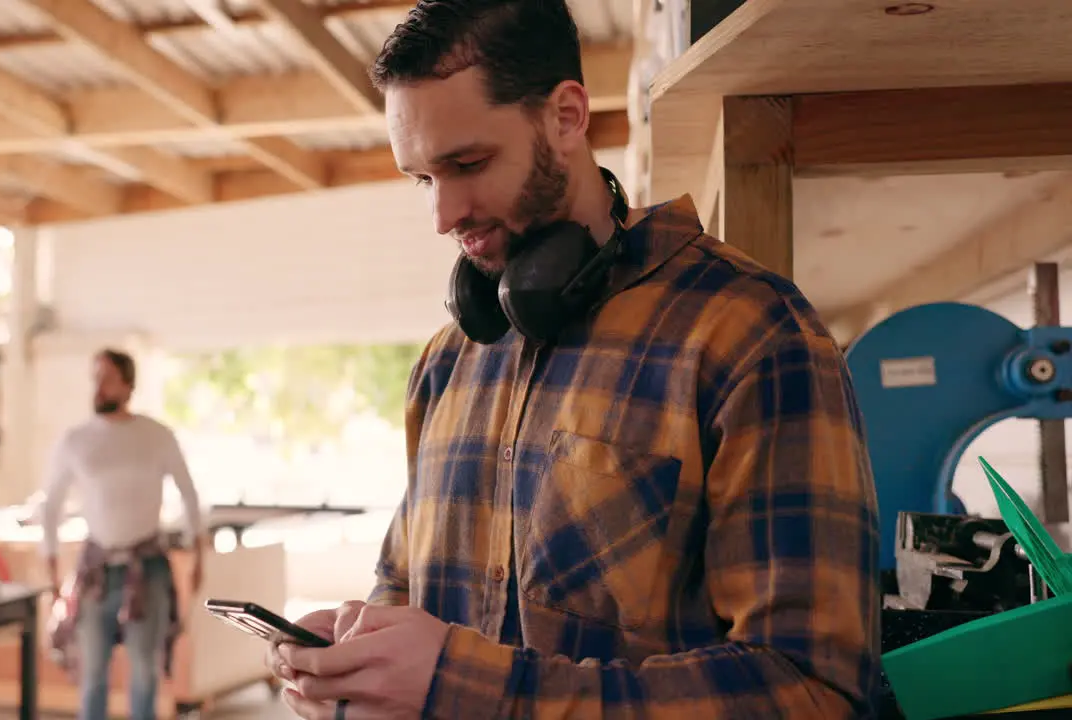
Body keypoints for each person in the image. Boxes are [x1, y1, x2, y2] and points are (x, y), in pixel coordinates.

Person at [267, 0, 882, 718]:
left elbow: (812, 690)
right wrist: (355, 657)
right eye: (424, 179)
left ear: (565, 116)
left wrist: (468, 689)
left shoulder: (751, 335)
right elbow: (400, 588)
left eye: (467, 164)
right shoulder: (444, 364)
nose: (443, 215)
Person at [40, 348, 207, 720]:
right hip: (98, 571)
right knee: (93, 673)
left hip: (147, 568)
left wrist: (199, 555)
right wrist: (50, 566)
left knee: (145, 671)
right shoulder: (76, 440)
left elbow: (189, 493)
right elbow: (49, 505)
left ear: (128, 385)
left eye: (107, 378)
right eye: (95, 377)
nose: (98, 387)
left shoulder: (156, 436)